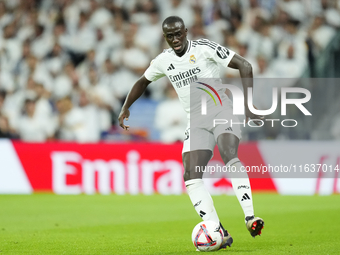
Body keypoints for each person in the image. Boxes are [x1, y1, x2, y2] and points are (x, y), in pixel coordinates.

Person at [118, 16, 264, 249]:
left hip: (221, 111)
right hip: (195, 121)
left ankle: (250, 217)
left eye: (178, 34)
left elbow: (244, 65)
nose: (175, 39)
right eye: (170, 36)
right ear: (164, 37)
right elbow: (142, 82)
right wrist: (125, 107)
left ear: (186, 32)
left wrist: (249, 106)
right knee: (191, 176)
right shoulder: (163, 61)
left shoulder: (204, 48)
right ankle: (217, 230)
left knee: (228, 154)